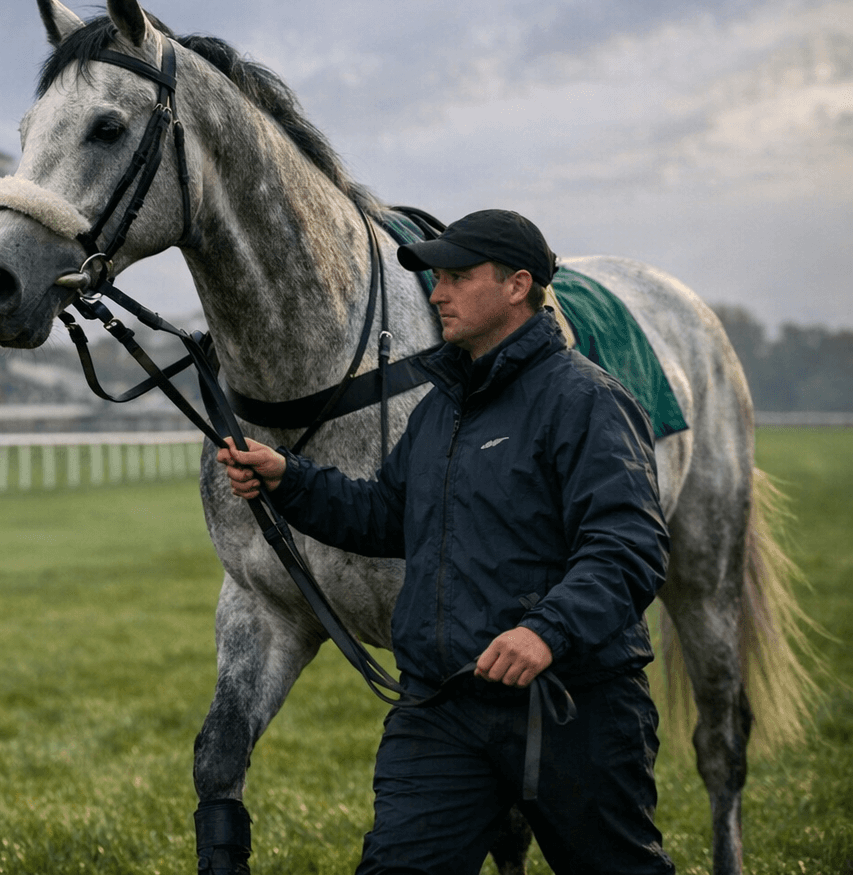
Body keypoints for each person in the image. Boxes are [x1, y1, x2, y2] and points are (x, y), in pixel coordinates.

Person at [217, 209, 674, 875]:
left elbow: (628, 546)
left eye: (457, 276)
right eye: (436, 278)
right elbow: (384, 516)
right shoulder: (442, 408)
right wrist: (289, 480)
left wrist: (545, 632)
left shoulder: (587, 400)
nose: (437, 294)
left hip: (574, 710)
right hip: (440, 712)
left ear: (517, 285)